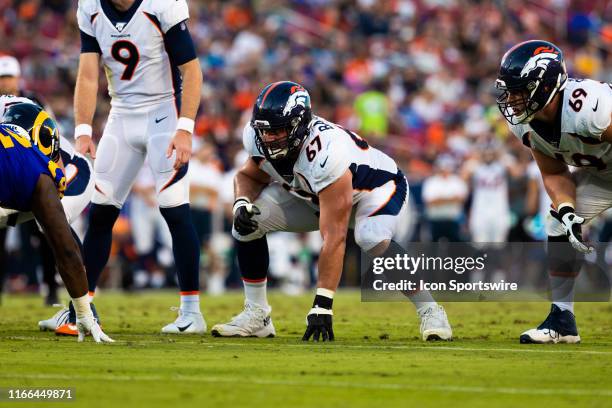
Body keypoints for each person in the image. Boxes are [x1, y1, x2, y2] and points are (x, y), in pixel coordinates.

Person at [211, 81, 452, 342]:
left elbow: (335, 236)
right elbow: (249, 175)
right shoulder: (258, 136)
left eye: (278, 130)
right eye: (264, 131)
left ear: (299, 124)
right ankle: (257, 315)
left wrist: (322, 305)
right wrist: (241, 202)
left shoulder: (327, 150)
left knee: (370, 237)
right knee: (248, 221)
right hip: (316, 194)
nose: (269, 138)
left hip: (376, 189)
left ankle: (431, 310)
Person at [75, 0, 204, 333]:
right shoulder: (90, 7)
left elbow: (191, 69)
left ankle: (192, 311)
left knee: (175, 210)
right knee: (101, 213)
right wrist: (83, 130)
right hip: (120, 114)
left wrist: (185, 128)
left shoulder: (162, 4)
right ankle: (81, 308)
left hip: (163, 112)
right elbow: (88, 74)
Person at [496, 40, 612, 343]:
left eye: (519, 89)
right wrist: (567, 208)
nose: (512, 98)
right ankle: (562, 319)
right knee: (559, 223)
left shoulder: (588, 107)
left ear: (546, 85)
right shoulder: (525, 125)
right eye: (509, 90)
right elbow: (554, 172)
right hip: (603, 175)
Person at [0, 114, 111, 342]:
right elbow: (66, 250)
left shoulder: (29, 161)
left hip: (39, 178)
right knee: (54, 227)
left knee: (49, 223)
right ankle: (80, 312)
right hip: (24, 179)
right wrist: (83, 313)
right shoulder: (36, 173)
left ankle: (78, 312)